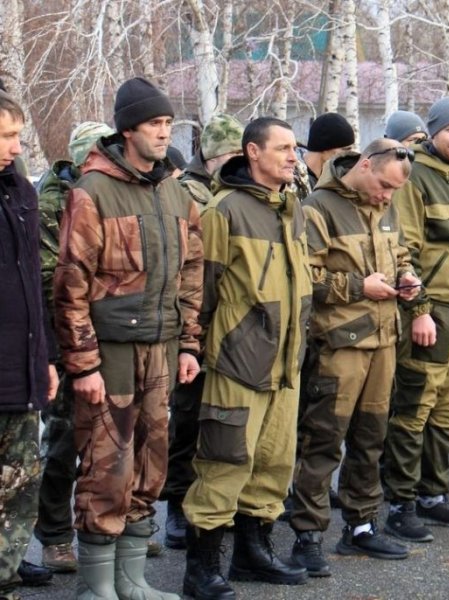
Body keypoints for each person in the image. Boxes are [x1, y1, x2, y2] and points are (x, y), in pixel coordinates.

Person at [53, 76, 203, 599]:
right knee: (105, 464)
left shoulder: (174, 191)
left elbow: (191, 271)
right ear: (127, 129)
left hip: (162, 348)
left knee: (150, 460)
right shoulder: (93, 192)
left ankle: (132, 580)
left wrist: (189, 343)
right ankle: (97, 588)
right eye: (155, 124)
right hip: (111, 353)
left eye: (168, 124)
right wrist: (84, 364)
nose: (164, 133)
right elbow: (71, 285)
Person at [181, 117, 313, 598]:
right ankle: (201, 569)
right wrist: (192, 349)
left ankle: (252, 554)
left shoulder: (293, 208)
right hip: (237, 363)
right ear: (252, 153)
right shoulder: (224, 211)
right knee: (223, 463)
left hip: (284, 365)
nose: (292, 156)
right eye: (282, 148)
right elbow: (199, 290)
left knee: (273, 464)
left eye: (294, 148)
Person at [289, 139, 421, 575]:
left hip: (383, 341)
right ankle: (307, 535)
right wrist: (359, 287)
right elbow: (305, 277)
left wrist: (407, 277)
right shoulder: (318, 207)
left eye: (393, 192)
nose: (387, 196)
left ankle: (361, 526)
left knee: (371, 439)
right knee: (324, 440)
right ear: (364, 166)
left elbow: (400, 252)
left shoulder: (385, 205)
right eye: (383, 185)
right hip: (339, 345)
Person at [381, 97, 449, 542]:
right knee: (414, 410)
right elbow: (402, 251)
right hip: (433, 313)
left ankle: (433, 496)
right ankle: (400, 503)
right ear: (434, 132)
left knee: (446, 412)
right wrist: (419, 310)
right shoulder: (415, 177)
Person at [35, 121, 116, 573]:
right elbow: (54, 282)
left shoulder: (104, 196)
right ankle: (54, 534)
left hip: (106, 334)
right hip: (66, 340)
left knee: (109, 440)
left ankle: (101, 529)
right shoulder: (54, 205)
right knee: (64, 440)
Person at [163, 113, 244, 551]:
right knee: (188, 418)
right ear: (212, 156)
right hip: (191, 322)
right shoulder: (185, 192)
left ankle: (213, 502)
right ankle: (177, 503)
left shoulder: (235, 192)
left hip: (228, 328)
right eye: (230, 155)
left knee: (221, 421)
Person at [0, 89, 59, 600]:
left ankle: (9, 564)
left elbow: (35, 284)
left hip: (22, 364)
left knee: (20, 482)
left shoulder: (21, 191)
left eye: (17, 135)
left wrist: (47, 357)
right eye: (5, 136)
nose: (16, 147)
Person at [298, 112, 355, 189]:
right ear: (325, 149)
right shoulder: (291, 180)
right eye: (345, 150)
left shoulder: (331, 179)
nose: (349, 155)